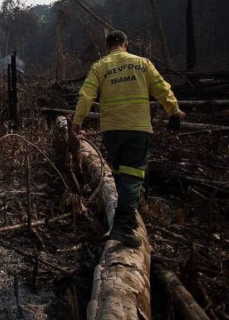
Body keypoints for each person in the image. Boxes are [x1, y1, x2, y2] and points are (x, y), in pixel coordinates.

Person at [71, 30, 184, 248]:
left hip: (111, 130)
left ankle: (126, 221)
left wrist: (77, 123)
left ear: (107, 47)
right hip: (136, 128)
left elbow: (86, 96)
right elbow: (162, 88)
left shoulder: (100, 66)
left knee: (121, 174)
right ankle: (123, 227)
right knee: (133, 175)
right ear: (126, 44)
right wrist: (174, 110)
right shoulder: (142, 63)